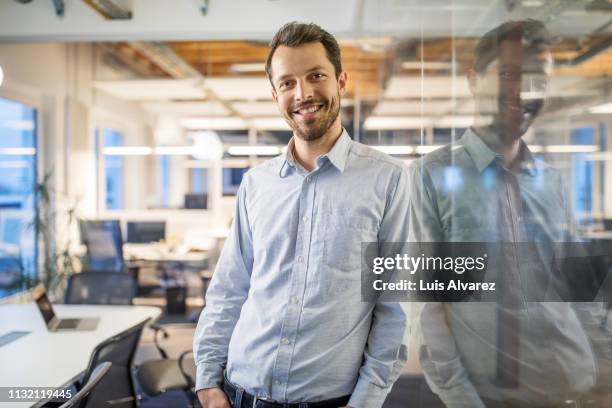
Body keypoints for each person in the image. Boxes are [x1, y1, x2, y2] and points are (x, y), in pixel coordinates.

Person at [193, 22, 410, 408]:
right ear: (276, 94)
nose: (304, 93)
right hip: (238, 392)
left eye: (316, 76)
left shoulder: (388, 180)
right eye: (288, 83)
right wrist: (208, 381)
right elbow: (229, 290)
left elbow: (395, 306)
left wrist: (366, 401)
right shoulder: (256, 184)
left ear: (340, 81)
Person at [409, 20, 609, 407]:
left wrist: (605, 370)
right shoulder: (428, 177)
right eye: (507, 74)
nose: (522, 90)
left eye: (537, 78)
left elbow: (579, 291)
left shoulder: (551, 181)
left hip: (578, 388)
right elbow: (427, 313)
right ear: (472, 80)